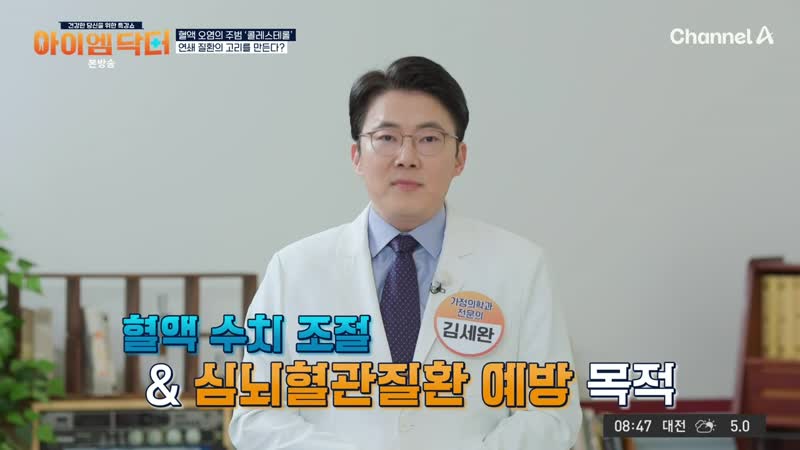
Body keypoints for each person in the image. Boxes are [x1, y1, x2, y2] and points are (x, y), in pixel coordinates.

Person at [229, 56, 581, 450]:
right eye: (387, 137)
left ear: (460, 158)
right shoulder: (294, 269)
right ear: (357, 155)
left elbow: (551, 413)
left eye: (429, 139)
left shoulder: (521, 267)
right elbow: (256, 415)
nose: (406, 157)